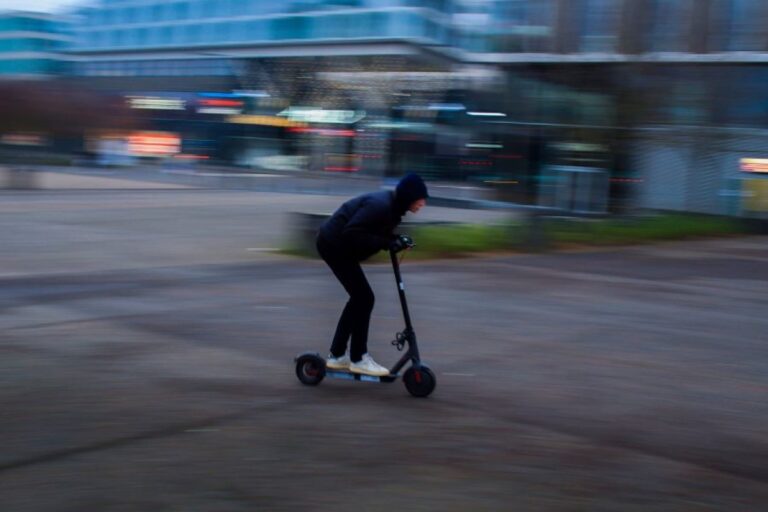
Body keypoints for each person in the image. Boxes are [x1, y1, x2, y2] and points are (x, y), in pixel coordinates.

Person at [316, 173, 429, 376]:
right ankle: (358, 358)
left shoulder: (393, 208)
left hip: (338, 245)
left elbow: (375, 231)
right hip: (332, 244)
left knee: (361, 298)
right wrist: (387, 243)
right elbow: (352, 233)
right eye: (420, 198)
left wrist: (395, 239)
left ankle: (338, 355)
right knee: (364, 298)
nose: (423, 203)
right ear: (409, 196)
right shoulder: (381, 206)